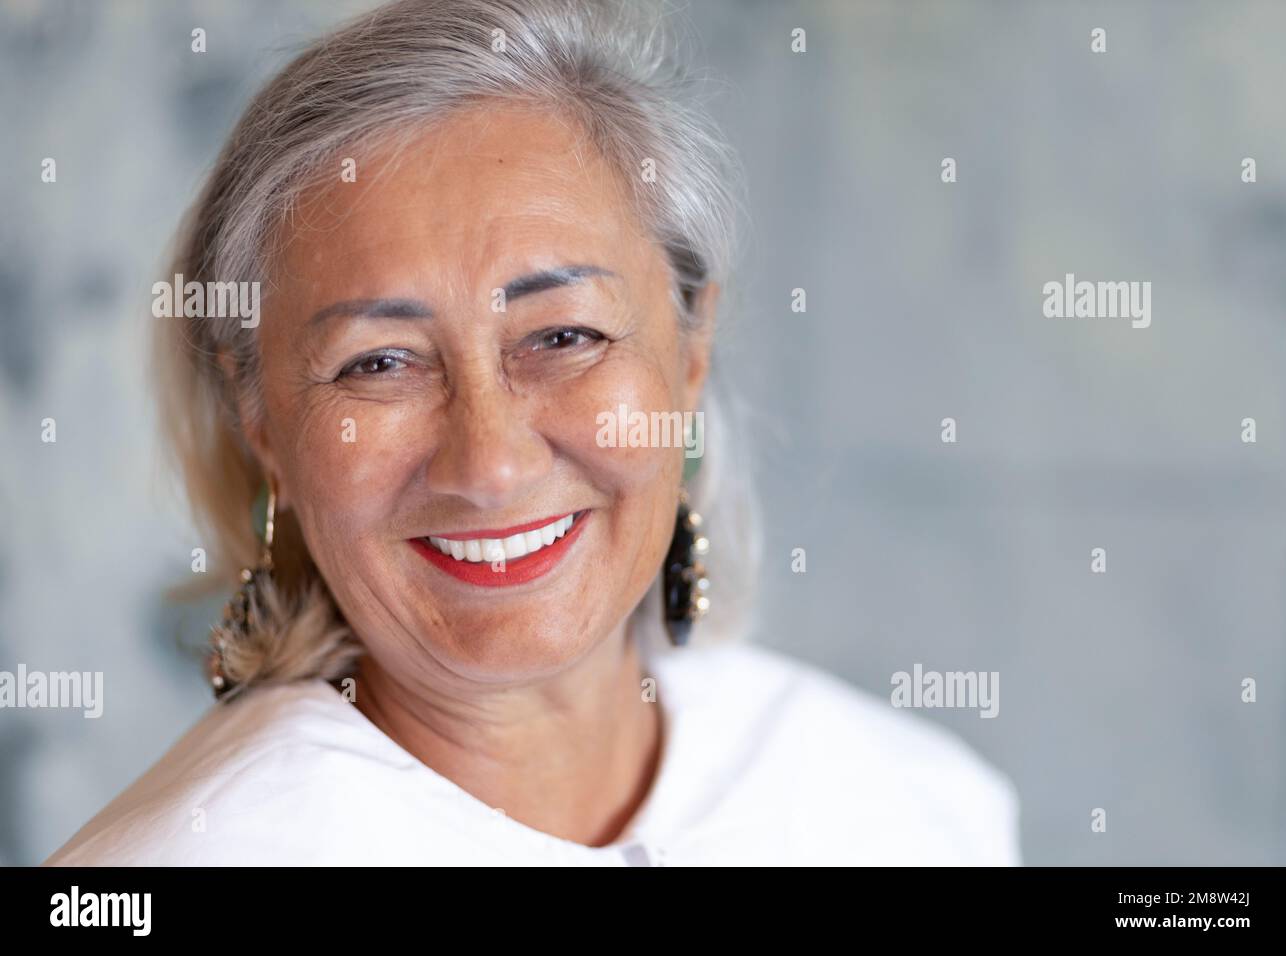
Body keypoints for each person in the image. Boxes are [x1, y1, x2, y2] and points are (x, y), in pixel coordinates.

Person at [44, 0, 1020, 866]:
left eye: (564, 335)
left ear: (689, 354)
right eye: (379, 361)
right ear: (262, 426)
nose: (491, 464)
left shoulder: (918, 803)